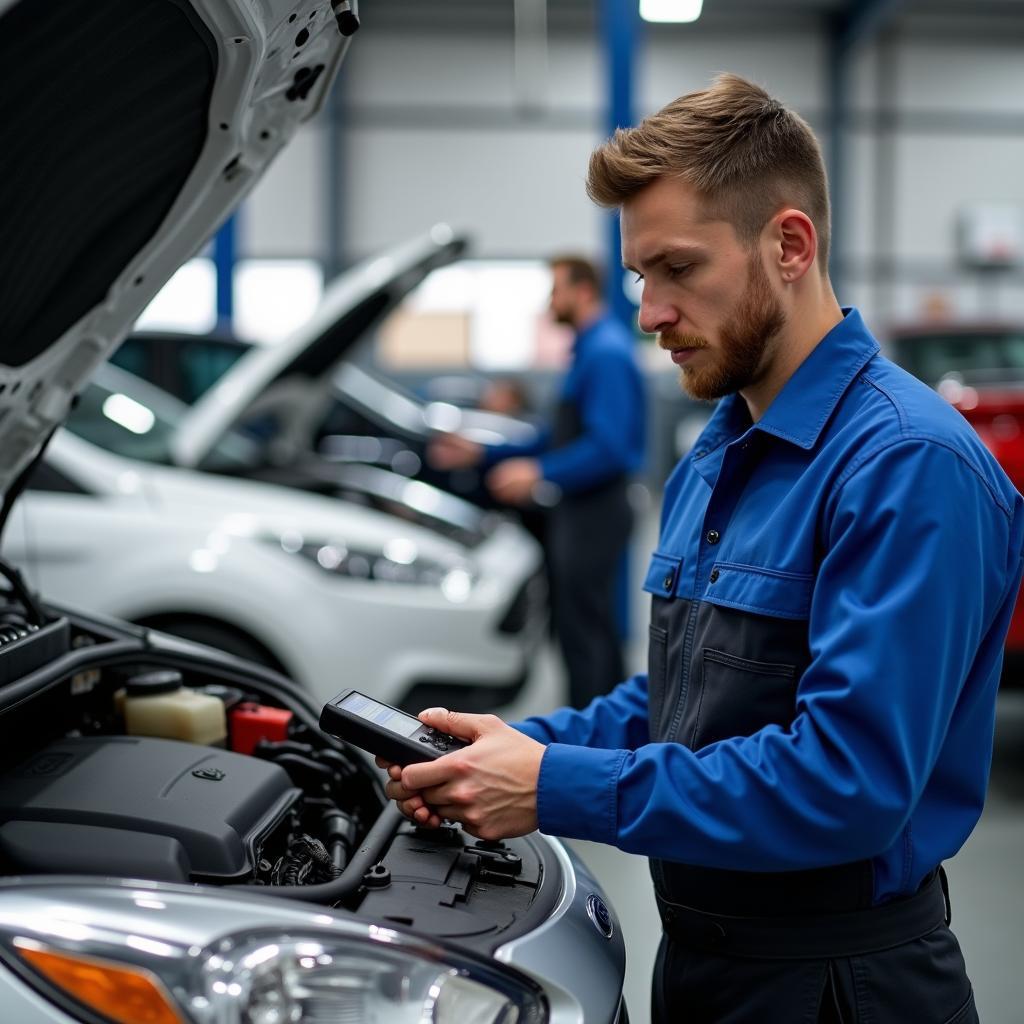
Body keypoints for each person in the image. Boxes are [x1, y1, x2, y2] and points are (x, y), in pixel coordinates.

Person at [382, 74, 1024, 1022]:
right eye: (642, 276)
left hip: (836, 987)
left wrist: (555, 787)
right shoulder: (718, 451)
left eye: (679, 269)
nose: (650, 311)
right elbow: (687, 698)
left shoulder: (906, 466)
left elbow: (845, 784)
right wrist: (515, 748)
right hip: (705, 966)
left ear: (790, 245)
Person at [429, 256, 646, 709]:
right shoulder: (588, 351)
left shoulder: (605, 353)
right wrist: (485, 452)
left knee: (582, 632)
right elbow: (554, 437)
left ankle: (592, 742)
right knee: (588, 625)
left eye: (556, 290)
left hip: (596, 511)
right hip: (583, 509)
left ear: (583, 291)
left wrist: (539, 473)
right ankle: (610, 725)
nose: (550, 301)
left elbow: (611, 447)